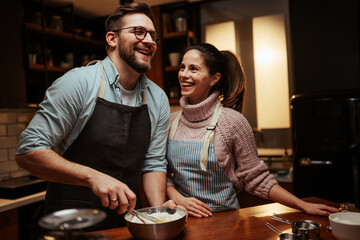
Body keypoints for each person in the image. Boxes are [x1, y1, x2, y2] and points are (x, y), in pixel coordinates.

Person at [15, 2, 170, 230]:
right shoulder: (78, 83)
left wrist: (159, 218)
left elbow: (153, 163)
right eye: (138, 31)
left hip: (124, 225)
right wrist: (92, 177)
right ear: (112, 39)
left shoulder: (158, 98)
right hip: (70, 225)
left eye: (153, 35)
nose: (149, 41)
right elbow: (27, 150)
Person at [166, 43, 339, 218]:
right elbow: (159, 173)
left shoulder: (232, 122)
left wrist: (302, 205)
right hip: (183, 220)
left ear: (214, 78)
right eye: (182, 67)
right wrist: (177, 198)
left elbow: (256, 178)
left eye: (193, 69)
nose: (184, 74)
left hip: (226, 221)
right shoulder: (171, 122)